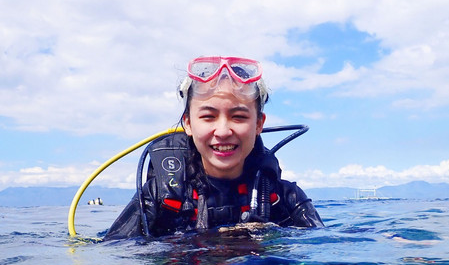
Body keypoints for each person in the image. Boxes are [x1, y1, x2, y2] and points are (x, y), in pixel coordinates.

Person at [104, 56, 324, 239]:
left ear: (258, 124)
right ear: (188, 123)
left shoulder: (284, 198)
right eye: (208, 117)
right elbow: (114, 259)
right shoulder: (159, 196)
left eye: (238, 117)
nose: (223, 131)